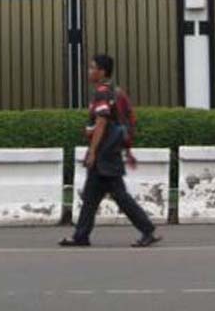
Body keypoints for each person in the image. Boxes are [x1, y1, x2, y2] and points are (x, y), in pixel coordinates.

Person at [60, 54, 161, 248]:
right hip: (108, 153)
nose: (89, 71)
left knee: (120, 197)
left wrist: (93, 152)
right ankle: (81, 235)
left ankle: (147, 230)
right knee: (90, 197)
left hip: (105, 154)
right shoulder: (112, 91)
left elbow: (101, 122)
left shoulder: (102, 93)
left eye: (92, 68)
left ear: (102, 71)